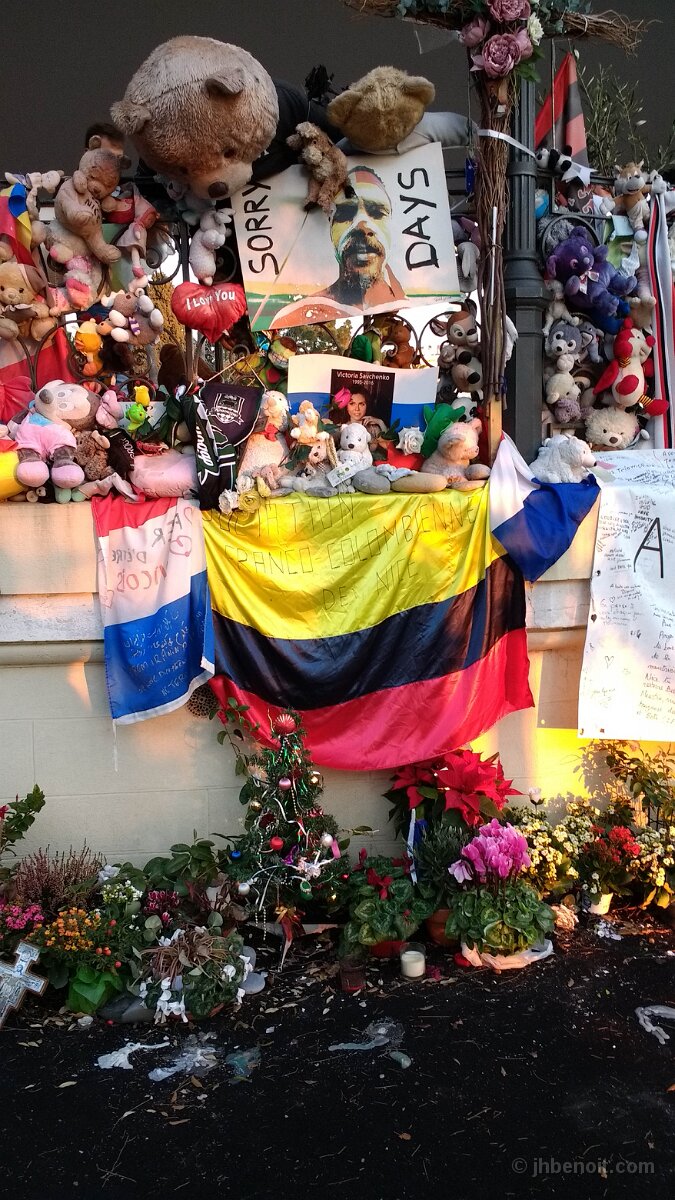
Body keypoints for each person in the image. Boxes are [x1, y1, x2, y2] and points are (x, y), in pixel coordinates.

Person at [271, 166, 405, 327]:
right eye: (346, 213)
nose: (362, 226)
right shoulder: (292, 316)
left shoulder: (406, 308)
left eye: (377, 213)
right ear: (331, 227)